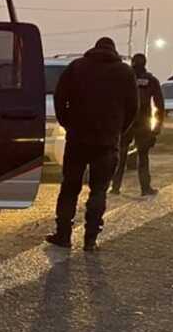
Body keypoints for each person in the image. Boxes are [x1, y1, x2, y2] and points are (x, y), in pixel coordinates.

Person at [47, 37, 139, 252]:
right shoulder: (124, 73)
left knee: (70, 187)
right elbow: (133, 107)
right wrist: (118, 130)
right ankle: (90, 239)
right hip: (107, 141)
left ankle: (63, 235)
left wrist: (68, 124)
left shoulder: (76, 67)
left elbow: (60, 99)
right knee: (99, 190)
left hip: (77, 138)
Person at [113, 53, 165, 196]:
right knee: (143, 157)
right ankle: (145, 188)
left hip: (126, 122)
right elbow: (160, 105)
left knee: (121, 156)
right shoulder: (151, 80)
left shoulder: (124, 79)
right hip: (143, 122)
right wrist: (157, 127)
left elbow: (115, 101)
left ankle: (115, 187)